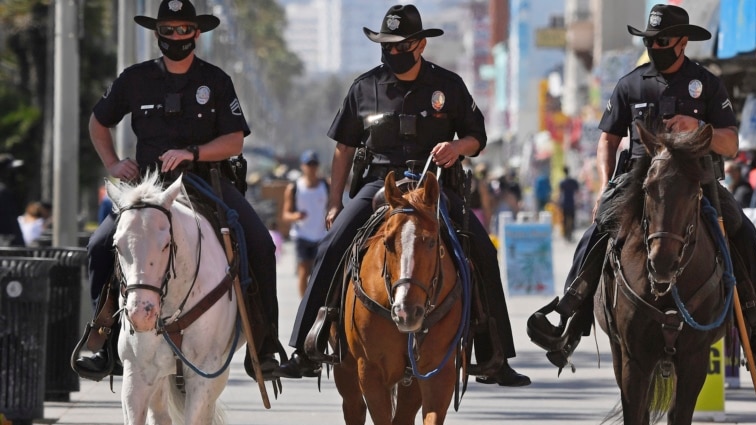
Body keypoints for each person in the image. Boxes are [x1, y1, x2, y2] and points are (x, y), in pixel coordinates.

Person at [275, 4, 530, 387]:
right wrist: (334, 203)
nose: (394, 53)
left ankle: (493, 354)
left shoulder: (449, 86)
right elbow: (343, 148)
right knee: (332, 243)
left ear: (421, 44)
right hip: (380, 186)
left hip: (433, 187)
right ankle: (306, 346)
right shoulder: (364, 87)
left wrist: (457, 147)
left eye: (402, 45)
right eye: (387, 46)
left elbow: (478, 138)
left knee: (482, 251)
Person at [527, 4, 756, 369]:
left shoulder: (707, 83)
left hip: (697, 180)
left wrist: (697, 130)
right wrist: (604, 184)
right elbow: (607, 139)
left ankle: (754, 325)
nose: (654, 46)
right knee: (598, 229)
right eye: (650, 40)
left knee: (743, 230)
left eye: (661, 40)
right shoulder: (630, 84)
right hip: (638, 180)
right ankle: (570, 312)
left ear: (682, 42)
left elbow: (731, 143)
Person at [73, 0, 283, 380]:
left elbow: (234, 141)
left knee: (261, 243)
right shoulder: (134, 78)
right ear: (157, 34)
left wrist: (193, 152)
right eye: (168, 30)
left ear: (196, 33)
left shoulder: (216, 80)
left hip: (205, 180)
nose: (176, 37)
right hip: (148, 186)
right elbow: (98, 123)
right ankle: (102, 339)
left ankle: (265, 345)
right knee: (99, 245)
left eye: (183, 29)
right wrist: (113, 163)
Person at [282, 150, 328, 295]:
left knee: (319, 273)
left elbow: (334, 206)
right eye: (309, 164)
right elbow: (285, 215)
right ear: (303, 166)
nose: (311, 168)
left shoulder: (326, 186)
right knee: (303, 270)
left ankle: (315, 302)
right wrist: (296, 216)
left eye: (314, 164)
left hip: (321, 235)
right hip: (301, 234)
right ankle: (303, 303)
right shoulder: (294, 188)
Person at [559, 166, 580, 240]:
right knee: (572, 218)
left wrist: (559, 203)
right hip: (572, 202)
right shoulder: (573, 181)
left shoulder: (562, 182)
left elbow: (560, 194)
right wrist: (577, 202)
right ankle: (570, 233)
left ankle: (566, 233)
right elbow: (577, 192)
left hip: (565, 203)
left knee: (565, 218)